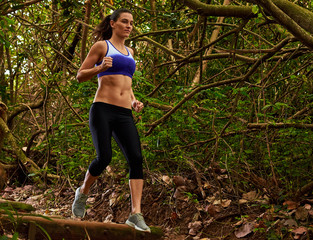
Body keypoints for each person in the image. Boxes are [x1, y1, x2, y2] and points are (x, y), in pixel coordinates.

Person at [71, 8, 150, 233]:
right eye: (124, 22)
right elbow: (80, 75)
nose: (129, 26)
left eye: (132, 23)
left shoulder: (131, 52)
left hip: (125, 113)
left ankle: (135, 214)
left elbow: (127, 83)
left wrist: (134, 101)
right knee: (104, 157)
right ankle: (83, 192)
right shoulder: (102, 46)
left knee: (136, 158)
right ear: (113, 23)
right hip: (102, 109)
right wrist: (100, 67)